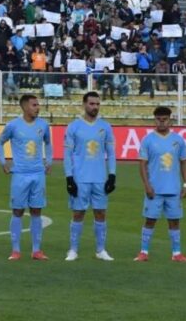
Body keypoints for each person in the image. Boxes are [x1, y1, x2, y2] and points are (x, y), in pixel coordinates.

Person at [0, 94, 53, 261]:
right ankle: (15, 250)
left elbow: (48, 143)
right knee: (18, 211)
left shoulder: (43, 125)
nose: (38, 107)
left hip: (38, 173)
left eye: (38, 104)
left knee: (36, 210)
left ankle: (36, 250)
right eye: (34, 105)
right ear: (25, 107)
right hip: (20, 174)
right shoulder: (13, 125)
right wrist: (3, 162)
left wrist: (49, 161)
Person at [134, 106, 186, 263]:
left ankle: (177, 254)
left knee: (175, 221)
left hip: (173, 189)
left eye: (164, 119)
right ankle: (143, 252)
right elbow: (142, 164)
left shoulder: (178, 140)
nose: (161, 122)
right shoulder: (148, 140)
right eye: (158, 119)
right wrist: (147, 185)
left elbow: (184, 162)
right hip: (154, 189)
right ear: (155, 120)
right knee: (150, 220)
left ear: (170, 120)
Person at [64, 91, 116, 262]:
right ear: (84, 104)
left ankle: (101, 250)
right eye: (92, 104)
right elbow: (67, 154)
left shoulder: (105, 127)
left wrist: (112, 175)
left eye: (97, 104)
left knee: (101, 213)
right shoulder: (74, 126)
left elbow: (111, 153)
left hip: (100, 178)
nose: (95, 107)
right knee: (78, 214)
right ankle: (73, 250)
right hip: (80, 178)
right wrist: (69, 177)